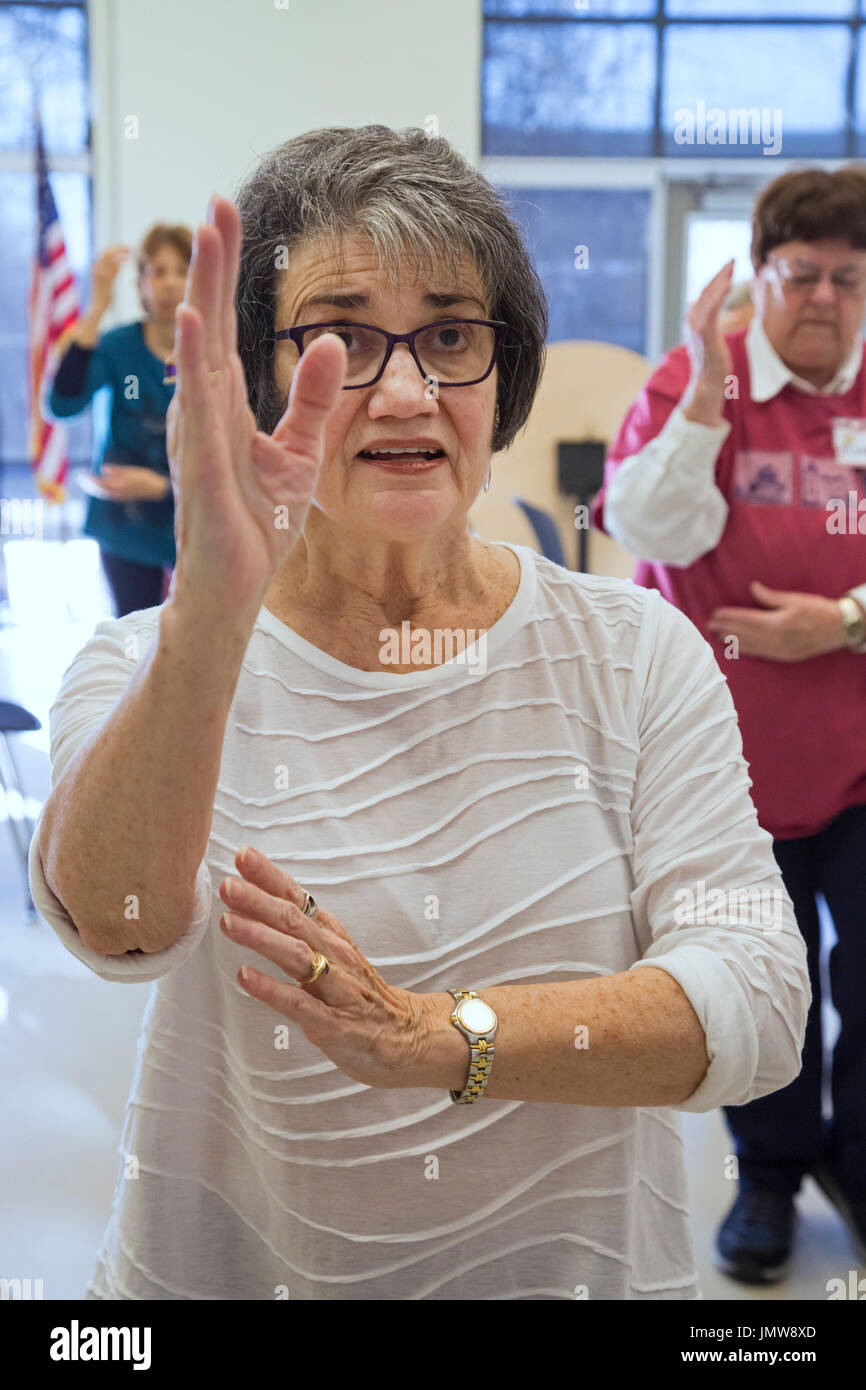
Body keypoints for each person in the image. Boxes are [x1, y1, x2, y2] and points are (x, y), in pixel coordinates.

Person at [28, 126, 808, 1302]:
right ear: (255, 372)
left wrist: (442, 1039)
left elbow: (756, 1001)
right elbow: (116, 926)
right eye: (337, 335)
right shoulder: (146, 658)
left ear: (502, 376)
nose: (403, 390)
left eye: (449, 335)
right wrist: (209, 624)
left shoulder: (633, 652)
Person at [592, 165, 866, 1285]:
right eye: (799, 274)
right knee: (768, 979)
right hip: (727, 771)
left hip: (856, 763)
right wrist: (709, 383)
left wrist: (844, 619)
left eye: (847, 279)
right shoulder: (691, 381)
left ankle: (854, 1156)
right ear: (758, 278)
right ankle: (766, 1171)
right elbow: (647, 520)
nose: (822, 298)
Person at [48, 224, 192, 616]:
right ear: (141, 283)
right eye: (157, 272)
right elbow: (61, 405)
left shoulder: (212, 353)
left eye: (182, 270)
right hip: (123, 528)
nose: (169, 283)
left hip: (194, 522)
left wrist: (163, 487)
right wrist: (96, 307)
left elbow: (233, 452)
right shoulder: (118, 346)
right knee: (134, 641)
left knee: (192, 639)